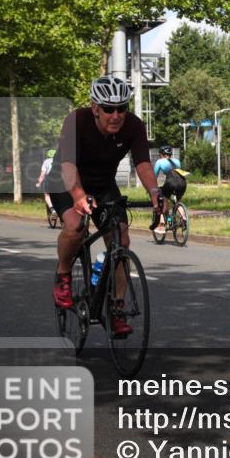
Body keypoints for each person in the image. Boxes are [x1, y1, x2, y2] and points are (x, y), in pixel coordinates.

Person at [46, 76, 161, 336]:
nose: (116, 115)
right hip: (66, 181)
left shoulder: (134, 126)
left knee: (121, 238)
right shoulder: (76, 121)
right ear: (95, 107)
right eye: (109, 109)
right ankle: (63, 276)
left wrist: (155, 192)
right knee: (75, 226)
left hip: (103, 184)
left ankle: (117, 309)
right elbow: (67, 166)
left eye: (122, 108)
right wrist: (77, 195)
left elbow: (142, 163)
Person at [153, 145, 186, 233]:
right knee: (178, 201)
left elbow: (154, 176)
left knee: (163, 199)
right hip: (182, 182)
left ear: (161, 154)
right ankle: (183, 217)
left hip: (171, 182)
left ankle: (162, 225)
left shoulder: (159, 161)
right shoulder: (177, 161)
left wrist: (153, 188)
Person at [35, 150, 56, 215]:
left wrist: (39, 183)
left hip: (50, 179)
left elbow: (43, 174)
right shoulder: (60, 161)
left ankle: (52, 210)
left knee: (47, 194)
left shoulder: (46, 162)